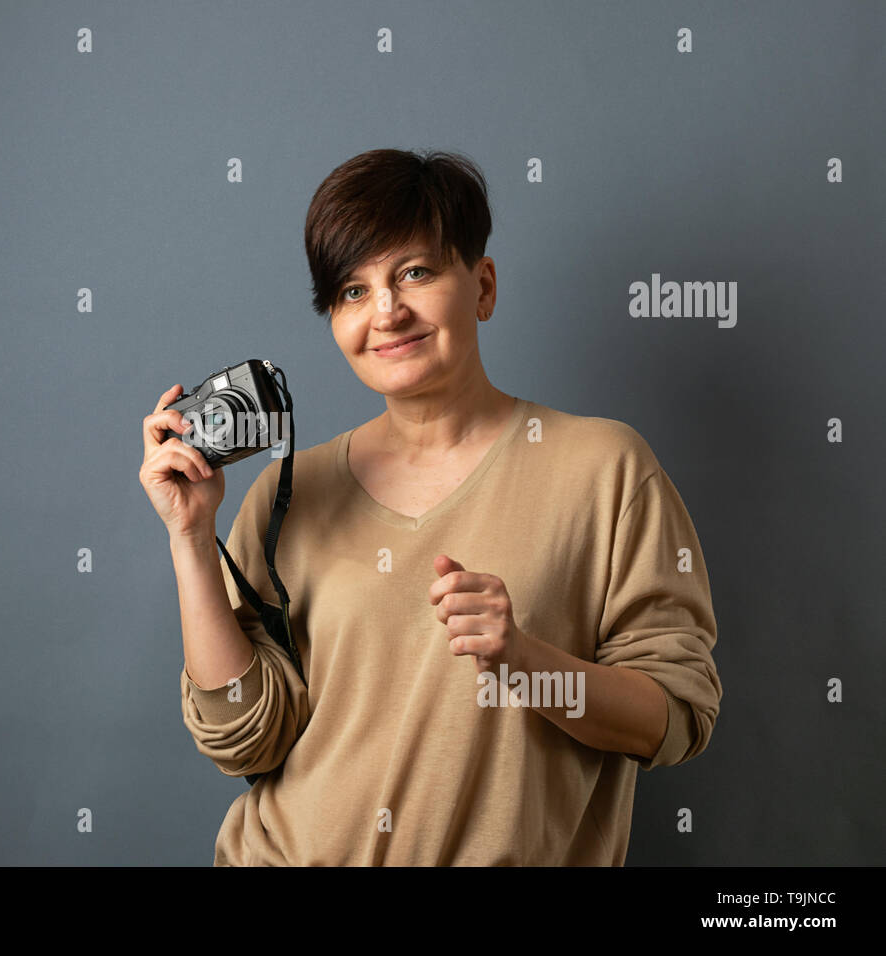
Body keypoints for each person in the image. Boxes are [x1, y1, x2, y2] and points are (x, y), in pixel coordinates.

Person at [138, 148, 722, 865]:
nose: (386, 312)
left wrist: (526, 661)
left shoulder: (605, 470)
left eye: (414, 272)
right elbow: (245, 740)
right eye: (352, 291)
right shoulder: (289, 494)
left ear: (482, 285)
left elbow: (674, 718)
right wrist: (192, 539)